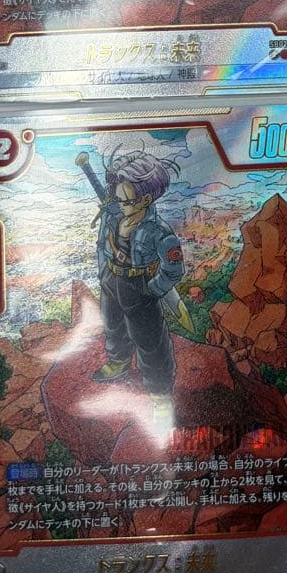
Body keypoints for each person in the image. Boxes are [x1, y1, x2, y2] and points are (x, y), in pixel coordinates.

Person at [92, 151, 183, 422]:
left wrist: (152, 290)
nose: (120, 204)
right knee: (112, 324)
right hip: (112, 280)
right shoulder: (112, 215)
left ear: (145, 198)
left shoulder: (158, 231)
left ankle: (160, 395)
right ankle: (119, 361)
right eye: (118, 198)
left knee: (150, 339)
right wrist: (104, 274)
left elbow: (173, 268)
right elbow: (102, 245)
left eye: (127, 200)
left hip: (138, 285)